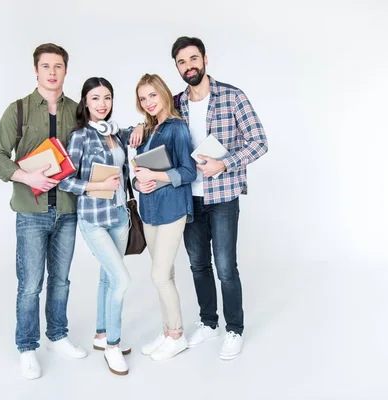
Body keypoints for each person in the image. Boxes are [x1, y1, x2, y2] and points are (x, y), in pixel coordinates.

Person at [131, 36, 269, 360]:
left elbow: (259, 141)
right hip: (186, 199)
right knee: (198, 265)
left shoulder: (232, 97)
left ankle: (234, 328)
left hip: (222, 196)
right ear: (177, 67)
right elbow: (155, 120)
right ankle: (209, 323)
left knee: (225, 267)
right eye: (181, 62)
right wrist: (140, 123)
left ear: (205, 60)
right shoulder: (176, 102)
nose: (188, 65)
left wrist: (225, 163)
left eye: (193, 59)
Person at [0, 43, 87, 380]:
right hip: (31, 211)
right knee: (30, 284)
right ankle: (27, 346)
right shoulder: (17, 110)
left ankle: (57, 336)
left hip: (68, 210)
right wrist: (26, 175)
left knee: (61, 281)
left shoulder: (77, 111)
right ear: (36, 70)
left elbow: (92, 149)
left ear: (65, 70)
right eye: (46, 66)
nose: (52, 72)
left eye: (58, 66)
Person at [59, 77, 141, 376]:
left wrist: (142, 127)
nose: (102, 104)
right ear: (85, 102)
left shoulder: (116, 134)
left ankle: (101, 334)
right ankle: (113, 346)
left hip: (119, 215)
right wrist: (96, 184)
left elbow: (138, 134)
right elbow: (64, 180)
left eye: (107, 97)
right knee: (121, 280)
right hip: (94, 219)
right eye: (95, 98)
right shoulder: (80, 136)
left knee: (108, 279)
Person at [132, 73, 197, 361]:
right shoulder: (147, 130)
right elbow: (137, 173)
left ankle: (177, 335)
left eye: (152, 95)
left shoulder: (177, 128)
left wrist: (155, 176)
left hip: (172, 210)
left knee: (159, 275)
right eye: (143, 98)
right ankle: (167, 330)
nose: (148, 102)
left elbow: (188, 172)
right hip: (149, 210)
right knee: (164, 275)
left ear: (164, 94)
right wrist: (138, 183)